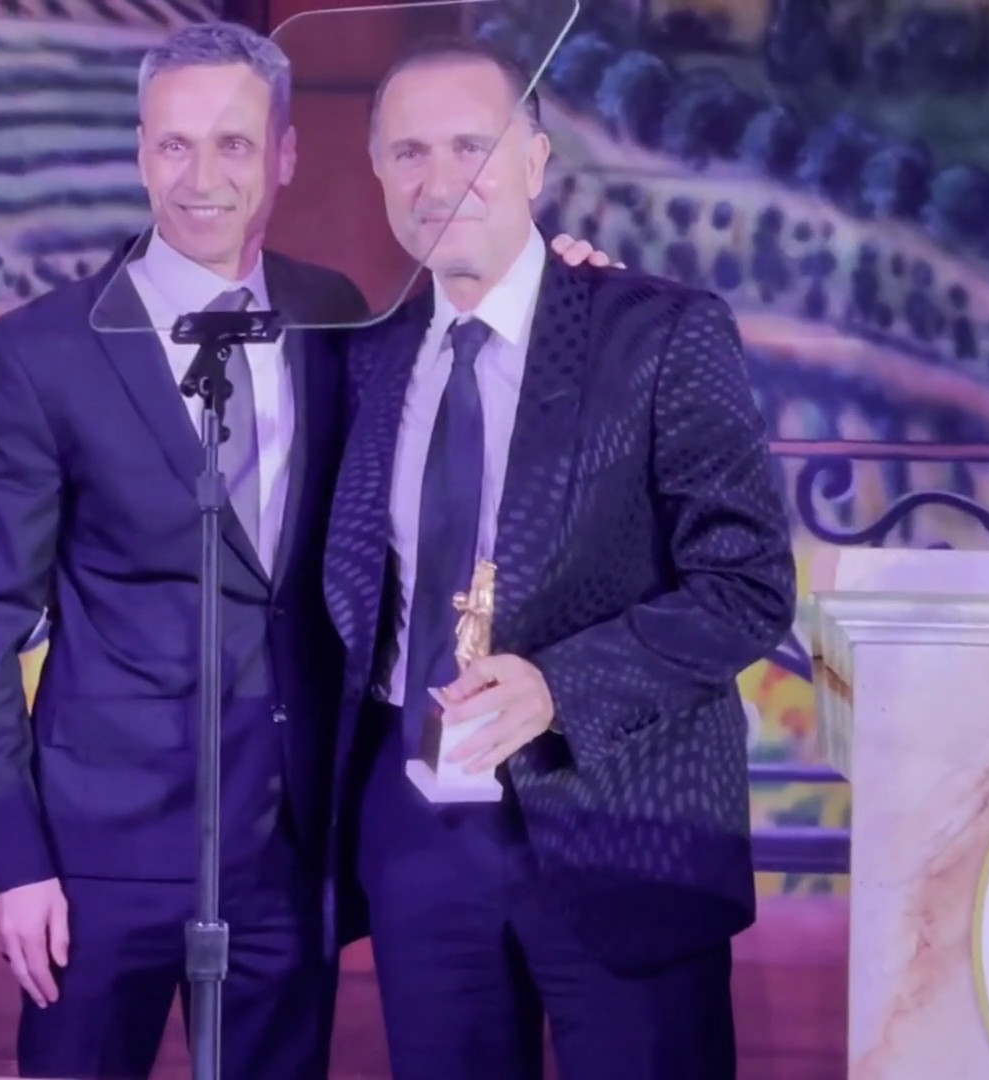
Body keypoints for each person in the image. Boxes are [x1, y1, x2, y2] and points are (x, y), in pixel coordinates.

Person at [0, 21, 608, 1080]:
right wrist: (11, 860)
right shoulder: (38, 354)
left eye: (235, 145)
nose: (201, 177)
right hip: (98, 854)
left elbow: (478, 331)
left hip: (288, 850)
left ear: (287, 155)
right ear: (139, 152)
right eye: (174, 144)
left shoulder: (336, 318)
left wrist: (564, 280)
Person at [322, 35, 797, 1080]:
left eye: (471, 146)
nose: (441, 179)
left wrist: (558, 690)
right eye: (409, 153)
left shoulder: (659, 333)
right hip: (419, 841)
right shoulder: (363, 360)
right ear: (379, 175)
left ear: (535, 161)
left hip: (623, 822)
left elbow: (747, 583)